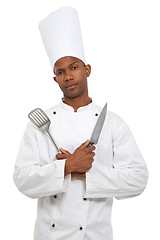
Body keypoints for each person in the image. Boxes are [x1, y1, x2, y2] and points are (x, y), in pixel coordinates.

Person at [13, 6, 148, 240]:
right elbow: (23, 180)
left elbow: (138, 180)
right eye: (60, 72)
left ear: (87, 69)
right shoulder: (40, 124)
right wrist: (66, 167)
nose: (68, 77)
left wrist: (83, 172)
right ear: (55, 78)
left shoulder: (113, 123)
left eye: (74, 68)